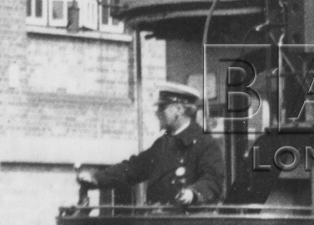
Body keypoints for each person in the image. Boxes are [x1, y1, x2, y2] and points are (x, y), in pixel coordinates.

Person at [78, 82, 225, 206]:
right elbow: (132, 168)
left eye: (162, 108)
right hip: (158, 223)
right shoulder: (162, 145)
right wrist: (97, 178)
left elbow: (212, 180)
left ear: (179, 110)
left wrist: (192, 193)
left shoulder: (205, 144)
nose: (157, 113)